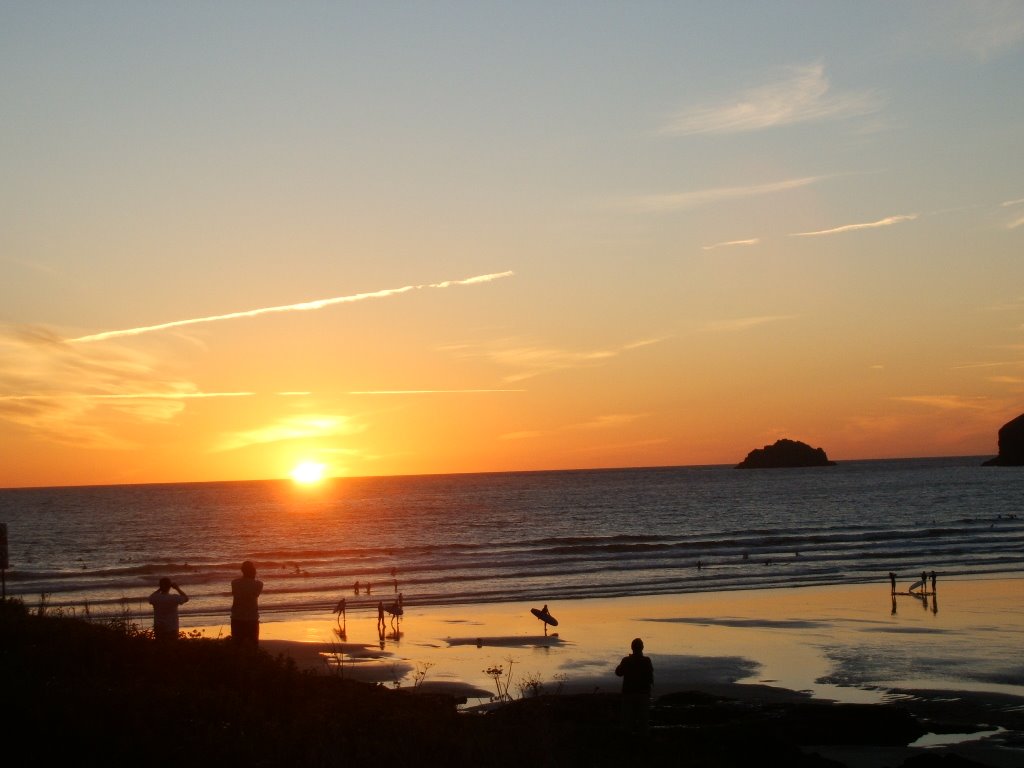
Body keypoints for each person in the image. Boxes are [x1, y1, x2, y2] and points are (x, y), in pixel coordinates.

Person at [615, 637, 654, 735]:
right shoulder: (646, 661)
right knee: (643, 722)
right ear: (642, 648)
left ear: (632, 648)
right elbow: (650, 677)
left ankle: (628, 742)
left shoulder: (627, 660)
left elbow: (618, 672)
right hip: (642, 694)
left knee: (627, 721)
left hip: (629, 694)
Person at [230, 560, 264, 648]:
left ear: (242, 570)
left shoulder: (235, 583)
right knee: (253, 645)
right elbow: (254, 594)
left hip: (237, 617)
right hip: (252, 617)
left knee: (237, 645)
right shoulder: (259, 584)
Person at [148, 577, 188, 642]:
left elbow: (150, 598)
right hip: (172, 627)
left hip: (159, 627)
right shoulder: (173, 598)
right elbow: (186, 598)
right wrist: (177, 588)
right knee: (172, 648)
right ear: (169, 586)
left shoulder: (155, 598)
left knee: (161, 648)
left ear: (160, 586)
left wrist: (160, 589)